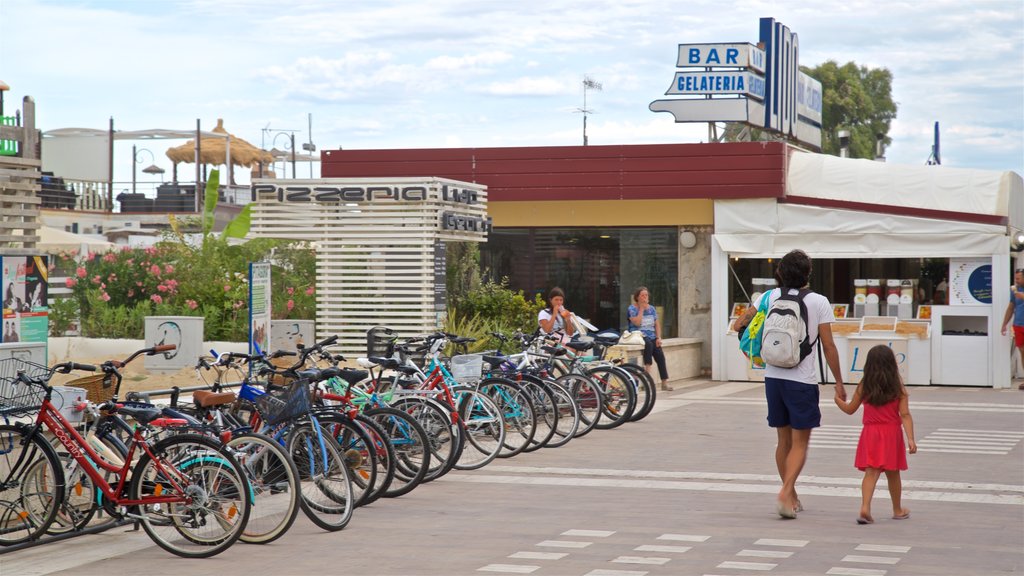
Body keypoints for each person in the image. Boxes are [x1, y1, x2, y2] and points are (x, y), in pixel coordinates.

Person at [760, 249, 846, 519]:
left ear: (781, 273)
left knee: (782, 441)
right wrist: (839, 383)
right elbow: (829, 346)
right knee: (800, 443)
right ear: (808, 273)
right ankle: (786, 492)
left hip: (773, 376)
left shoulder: (772, 296)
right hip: (801, 380)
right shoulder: (819, 301)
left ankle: (792, 495)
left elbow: (748, 322)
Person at [834, 345, 917, 525]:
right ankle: (897, 509)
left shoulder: (864, 385)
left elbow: (850, 409)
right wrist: (910, 438)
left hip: (870, 433)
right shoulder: (897, 385)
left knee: (871, 473)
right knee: (893, 474)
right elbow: (905, 414)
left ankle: (865, 507)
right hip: (891, 433)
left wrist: (837, 401)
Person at [627, 286, 671, 391]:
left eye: (646, 295)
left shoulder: (651, 309)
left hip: (651, 335)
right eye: (642, 295)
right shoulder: (632, 309)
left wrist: (658, 337)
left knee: (660, 354)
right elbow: (637, 323)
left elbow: (657, 325)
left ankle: (664, 382)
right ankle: (647, 377)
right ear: (637, 297)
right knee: (648, 344)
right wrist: (641, 309)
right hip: (638, 334)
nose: (644, 297)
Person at [999, 269, 1024, 390]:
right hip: (1018, 324)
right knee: (1022, 352)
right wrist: (1004, 324)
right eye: (1015, 278)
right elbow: (1011, 307)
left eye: (1018, 278)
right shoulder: (1014, 291)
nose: (1016, 280)